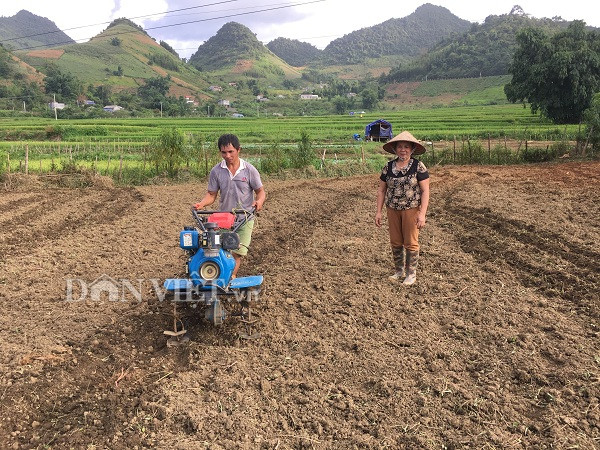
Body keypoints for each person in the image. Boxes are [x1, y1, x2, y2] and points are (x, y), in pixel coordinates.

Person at [194, 134, 265, 278]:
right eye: (224, 152)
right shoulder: (216, 171)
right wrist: (201, 204)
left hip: (244, 218)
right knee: (219, 251)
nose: (227, 155)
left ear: (239, 150)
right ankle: (215, 276)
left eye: (230, 151)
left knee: (235, 253)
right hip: (224, 219)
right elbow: (211, 195)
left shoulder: (249, 170)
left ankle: (228, 279)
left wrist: (259, 202)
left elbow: (260, 192)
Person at [375, 131, 430, 285]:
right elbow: (381, 190)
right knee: (396, 241)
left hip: (411, 209)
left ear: (412, 149)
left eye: (406, 147)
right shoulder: (388, 167)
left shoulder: (418, 166)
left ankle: (411, 274)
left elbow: (425, 191)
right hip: (392, 209)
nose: (403, 150)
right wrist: (378, 212)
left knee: (411, 242)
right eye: (400, 147)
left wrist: (422, 213)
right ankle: (399, 271)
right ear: (395, 149)